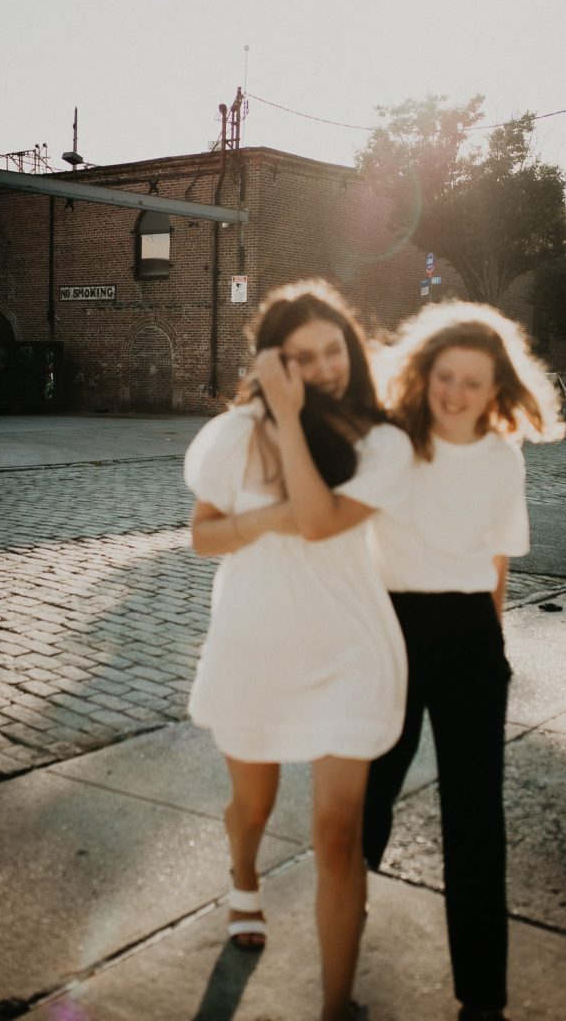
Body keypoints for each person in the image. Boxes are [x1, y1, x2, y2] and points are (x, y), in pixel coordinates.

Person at [184, 279, 414, 1021]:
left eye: (332, 350)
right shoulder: (231, 435)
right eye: (302, 357)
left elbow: (317, 524)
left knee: (338, 835)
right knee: (252, 807)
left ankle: (334, 1004)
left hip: (349, 651)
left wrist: (285, 420)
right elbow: (202, 535)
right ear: (273, 361)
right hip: (254, 646)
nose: (324, 368)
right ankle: (243, 883)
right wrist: (265, 515)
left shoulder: (380, 440)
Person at [362, 300, 565, 1021]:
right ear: (423, 374)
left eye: (471, 382)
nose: (454, 392)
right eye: (444, 376)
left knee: (474, 819)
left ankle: (482, 997)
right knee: (367, 796)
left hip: (469, 639)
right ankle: (343, 911)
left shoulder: (501, 457)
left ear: (495, 389)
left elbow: (496, 562)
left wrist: (494, 645)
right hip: (391, 631)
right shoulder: (390, 443)